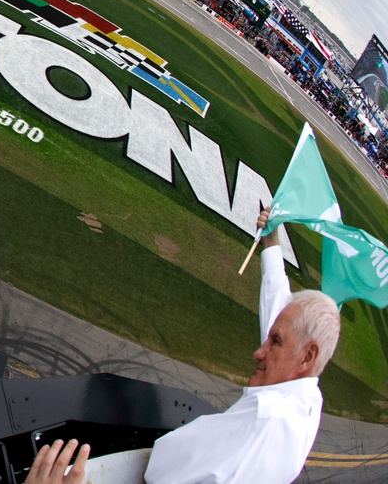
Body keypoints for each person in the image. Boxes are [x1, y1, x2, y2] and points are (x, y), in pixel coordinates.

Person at [142, 207, 340, 483]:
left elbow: (161, 470)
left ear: (307, 357)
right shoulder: (306, 401)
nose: (258, 352)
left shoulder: (263, 414)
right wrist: (271, 247)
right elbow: (282, 324)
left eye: (275, 342)